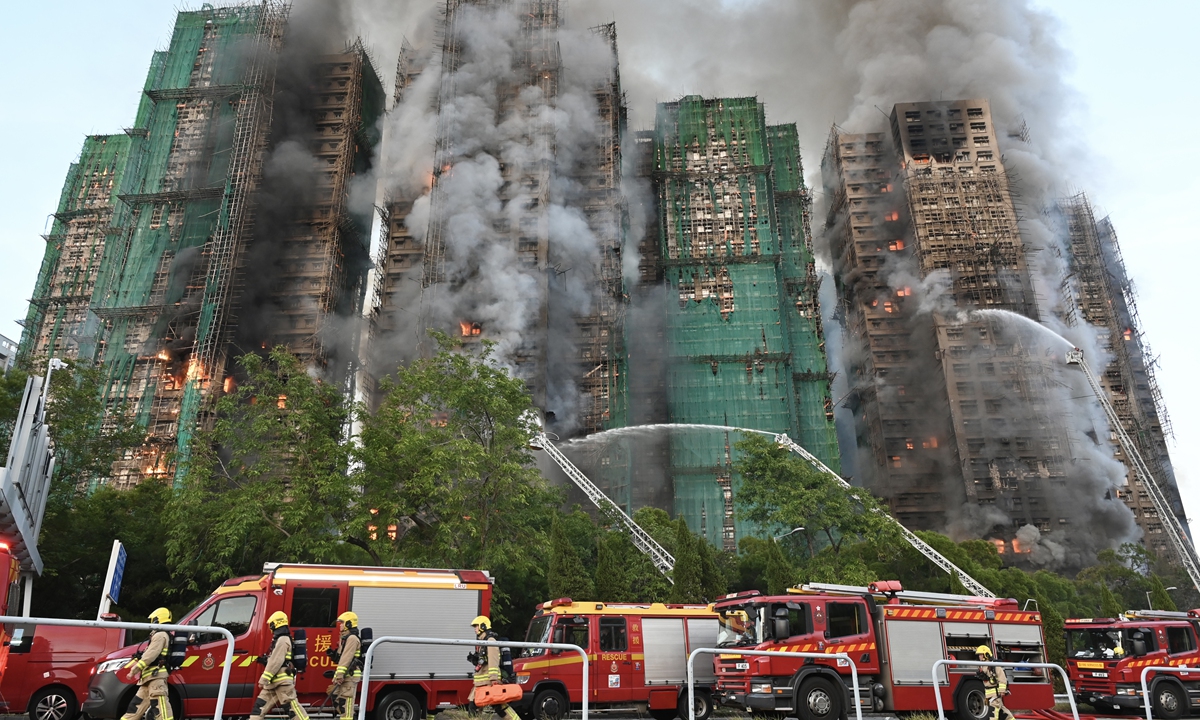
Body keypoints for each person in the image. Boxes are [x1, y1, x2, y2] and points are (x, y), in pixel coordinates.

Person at [249, 611, 309, 720]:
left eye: (270, 624)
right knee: (258, 709)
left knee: (294, 711)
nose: (269, 627)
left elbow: (276, 661)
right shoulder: (279, 640)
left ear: (275, 624)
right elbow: (275, 659)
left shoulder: (283, 640)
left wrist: (263, 679)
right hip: (272, 683)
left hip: (282, 683)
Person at [120, 608, 174, 720]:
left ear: (157, 619)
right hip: (147, 679)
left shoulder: (160, 635)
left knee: (161, 710)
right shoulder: (159, 635)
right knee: (134, 709)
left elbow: (149, 656)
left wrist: (134, 670)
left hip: (156, 678)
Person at [468, 616, 519, 720]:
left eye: (476, 626)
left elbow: (493, 661)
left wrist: (494, 679)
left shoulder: (490, 641)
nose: (475, 629)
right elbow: (485, 661)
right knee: (475, 707)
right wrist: (475, 660)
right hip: (481, 683)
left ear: (483, 626)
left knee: (500, 708)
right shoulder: (483, 642)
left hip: (488, 682)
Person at [328, 611, 362, 720]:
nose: (340, 625)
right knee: (335, 697)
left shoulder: (352, 638)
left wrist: (340, 674)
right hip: (345, 676)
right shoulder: (345, 638)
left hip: (350, 676)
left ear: (348, 624)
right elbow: (341, 657)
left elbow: (346, 658)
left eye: (342, 623)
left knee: (346, 704)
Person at [975, 645, 1014, 720]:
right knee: (1003, 712)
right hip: (989, 694)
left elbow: (1002, 679)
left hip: (995, 695)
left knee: (993, 712)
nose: (979, 656)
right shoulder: (982, 666)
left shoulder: (994, 666)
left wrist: (1002, 691)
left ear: (986, 654)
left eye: (980, 654)